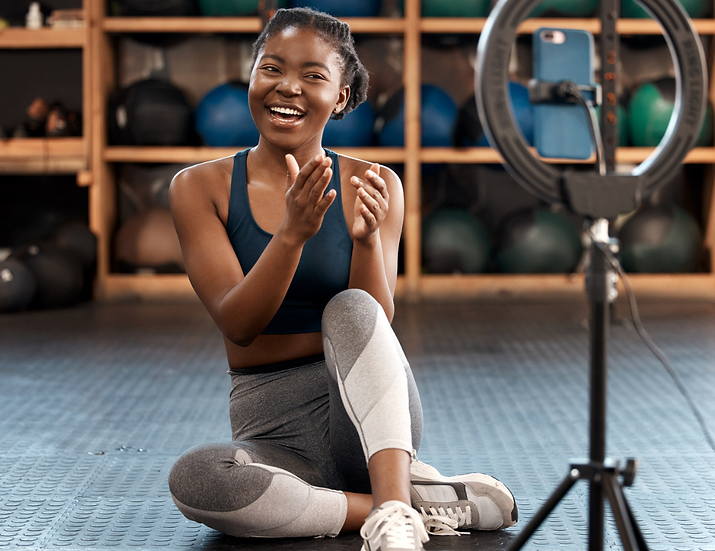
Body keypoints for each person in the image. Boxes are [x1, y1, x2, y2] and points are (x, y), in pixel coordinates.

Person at [166, 7, 517, 550]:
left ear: (344, 97)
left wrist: (364, 242)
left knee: (351, 308)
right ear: (251, 76)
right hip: (271, 432)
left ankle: (392, 509)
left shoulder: (377, 185)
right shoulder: (198, 189)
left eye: (313, 76)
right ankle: (406, 504)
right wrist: (291, 236)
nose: (288, 88)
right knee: (196, 478)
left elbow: (376, 324)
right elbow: (239, 325)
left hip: (369, 423)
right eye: (272, 69)